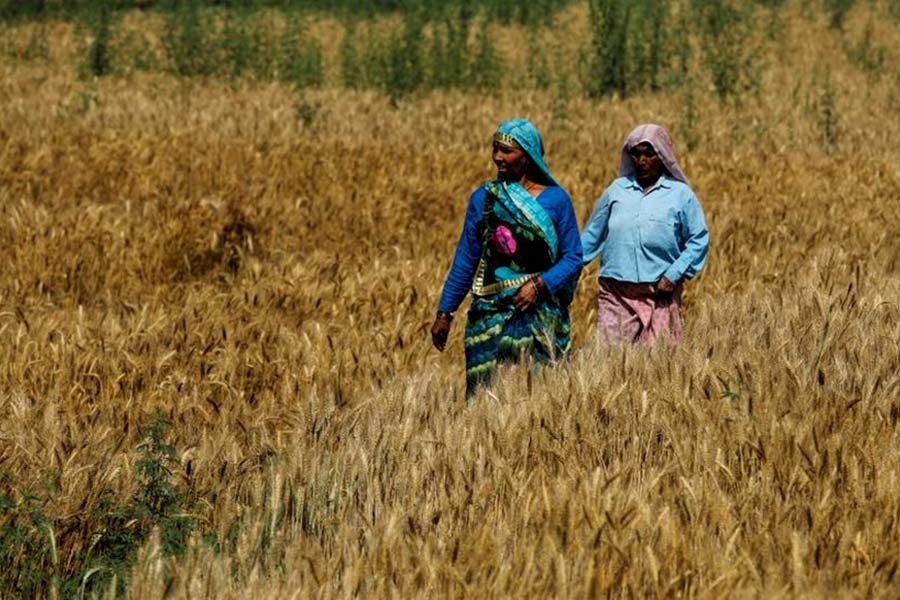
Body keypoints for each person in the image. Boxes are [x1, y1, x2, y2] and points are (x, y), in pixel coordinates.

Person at [431, 118, 583, 395]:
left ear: (527, 154)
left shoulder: (556, 200)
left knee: (539, 398)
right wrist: (445, 313)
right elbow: (466, 258)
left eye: (506, 151)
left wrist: (539, 286)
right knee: (486, 398)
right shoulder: (484, 199)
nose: (498, 157)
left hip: (539, 315)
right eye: (495, 149)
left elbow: (573, 256)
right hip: (490, 316)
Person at [581, 123, 708, 344]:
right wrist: (562, 268)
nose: (641, 161)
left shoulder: (680, 195)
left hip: (660, 291)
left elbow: (698, 239)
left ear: (663, 155)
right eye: (636, 154)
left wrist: (673, 274)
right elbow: (592, 235)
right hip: (616, 291)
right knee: (609, 360)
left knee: (658, 362)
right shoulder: (617, 190)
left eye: (649, 154)